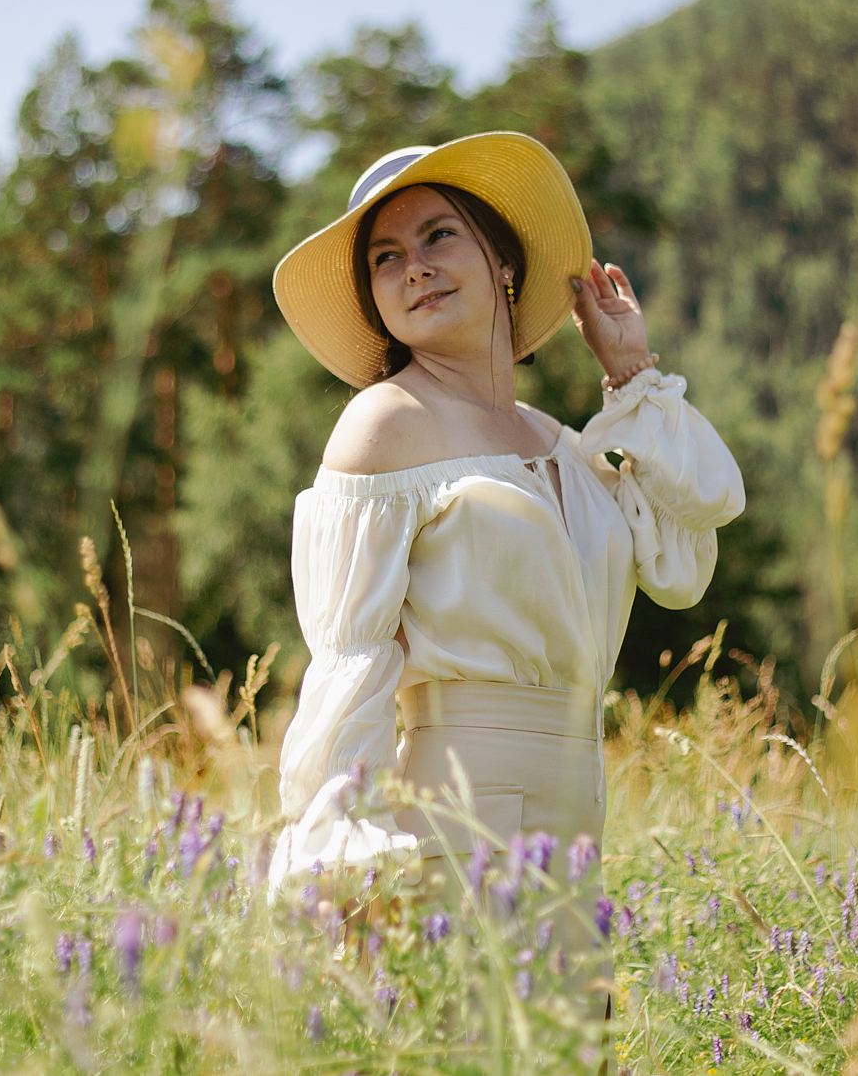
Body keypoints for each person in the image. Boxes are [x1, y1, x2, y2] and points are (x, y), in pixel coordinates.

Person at [266, 130, 745, 1013]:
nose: (415, 267)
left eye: (439, 236)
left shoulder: (564, 444)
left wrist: (630, 373)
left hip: (576, 827)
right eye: (386, 257)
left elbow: (683, 559)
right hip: (453, 823)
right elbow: (349, 662)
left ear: (503, 259)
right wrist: (346, 863)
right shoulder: (383, 426)